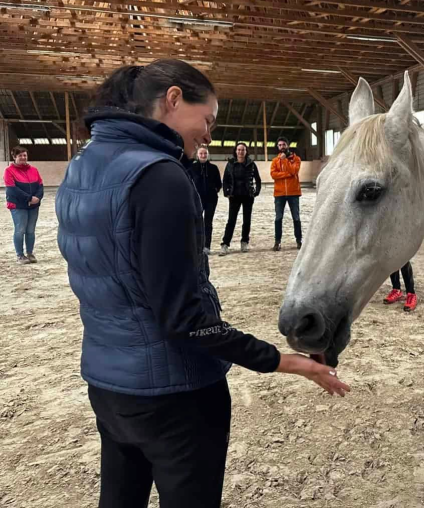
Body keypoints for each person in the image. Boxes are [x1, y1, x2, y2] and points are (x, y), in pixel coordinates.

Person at [55, 60, 350, 508]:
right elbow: (185, 320)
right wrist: (284, 362)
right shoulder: (159, 176)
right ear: (173, 100)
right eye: (208, 119)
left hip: (109, 384)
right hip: (176, 396)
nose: (210, 135)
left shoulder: (81, 167)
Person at [220, 142, 261, 256]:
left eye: (243, 150)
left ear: (246, 151)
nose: (240, 152)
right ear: (236, 151)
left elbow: (257, 179)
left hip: (248, 196)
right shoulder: (230, 164)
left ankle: (244, 242)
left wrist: (256, 192)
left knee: (246, 220)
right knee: (231, 220)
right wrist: (226, 192)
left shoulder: (251, 164)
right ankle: (225, 244)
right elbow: (226, 179)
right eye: (238, 150)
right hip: (234, 196)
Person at [4, 145, 43, 265]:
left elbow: (40, 186)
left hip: (33, 205)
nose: (23, 157)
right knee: (20, 230)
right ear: (14, 157)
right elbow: (12, 189)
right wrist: (29, 198)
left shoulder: (34, 170)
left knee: (30, 230)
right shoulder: (9, 171)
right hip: (18, 206)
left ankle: (30, 253)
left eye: (25, 155)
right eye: (20, 155)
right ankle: (20, 255)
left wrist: (38, 197)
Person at [270, 136, 302, 251]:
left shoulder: (296, 159)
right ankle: (277, 242)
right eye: (279, 145)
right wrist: (287, 174)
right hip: (279, 194)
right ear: (277, 147)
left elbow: (294, 171)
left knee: (296, 218)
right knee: (278, 218)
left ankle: (299, 240)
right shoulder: (274, 161)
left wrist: (285, 161)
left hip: (293, 193)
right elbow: (273, 175)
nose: (282, 147)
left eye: (283, 144)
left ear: (287, 145)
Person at [188, 146, 222, 256]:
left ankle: (207, 246)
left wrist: (214, 190)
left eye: (205, 154)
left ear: (208, 155)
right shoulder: (192, 168)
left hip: (211, 199)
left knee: (208, 222)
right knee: (197, 222)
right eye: (201, 153)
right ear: (197, 155)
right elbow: (188, 182)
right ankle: (197, 245)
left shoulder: (214, 168)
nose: (203, 155)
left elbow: (218, 183)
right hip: (197, 199)